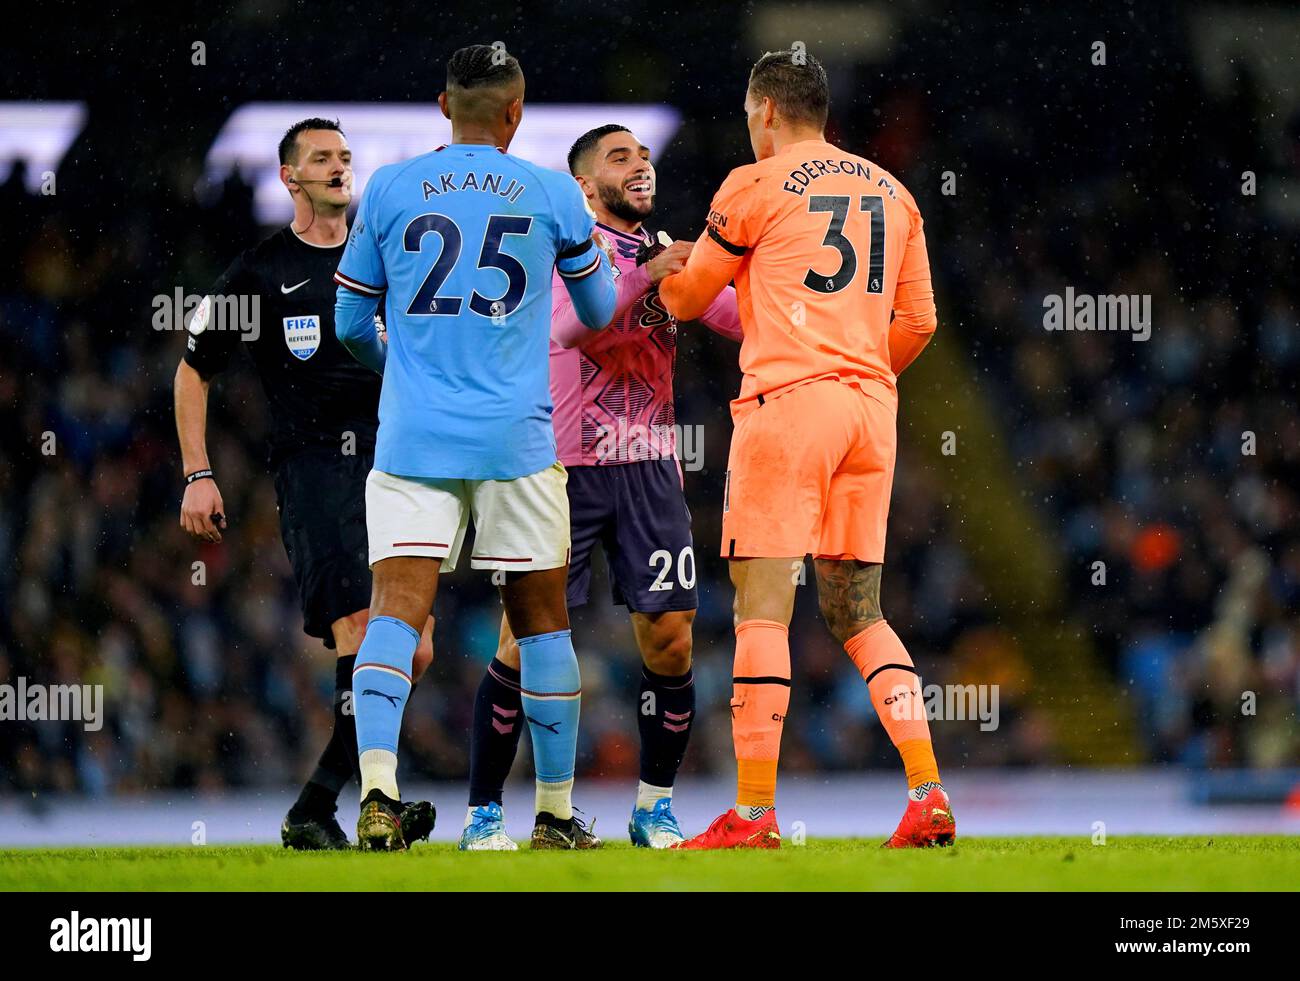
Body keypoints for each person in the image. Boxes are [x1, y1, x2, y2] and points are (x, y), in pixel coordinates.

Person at [658, 50, 953, 848]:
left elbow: (687, 300)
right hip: (871, 411)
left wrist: (670, 269)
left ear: (763, 110)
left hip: (788, 405)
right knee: (858, 609)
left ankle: (753, 810)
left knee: (762, 605)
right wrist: (855, 368)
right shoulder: (894, 191)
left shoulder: (751, 184)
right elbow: (920, 322)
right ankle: (927, 789)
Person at [333, 44, 618, 851]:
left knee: (394, 611)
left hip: (414, 437)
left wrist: (408, 372)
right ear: (515, 111)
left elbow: (352, 324)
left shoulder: (388, 187)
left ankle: (381, 797)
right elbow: (598, 311)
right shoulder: (552, 192)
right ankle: (556, 814)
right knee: (542, 625)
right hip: (516, 440)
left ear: (442, 104)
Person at [460, 124, 742, 850]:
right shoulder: (559, 245)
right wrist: (645, 277)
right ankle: (485, 812)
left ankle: (653, 809)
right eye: (621, 158)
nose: (640, 165)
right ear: (586, 185)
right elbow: (564, 331)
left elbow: (734, 317)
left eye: (644, 155)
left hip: (649, 465)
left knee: (673, 642)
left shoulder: (667, 252)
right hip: (560, 466)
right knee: (524, 640)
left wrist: (806, 314)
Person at [175, 118, 434, 849]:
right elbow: (192, 370)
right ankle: (377, 798)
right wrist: (198, 473)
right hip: (316, 467)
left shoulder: (390, 259)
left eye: (345, 157)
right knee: (361, 629)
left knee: (415, 649)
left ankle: (315, 806)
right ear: (288, 177)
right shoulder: (259, 272)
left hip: (399, 461)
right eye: (321, 158)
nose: (338, 167)